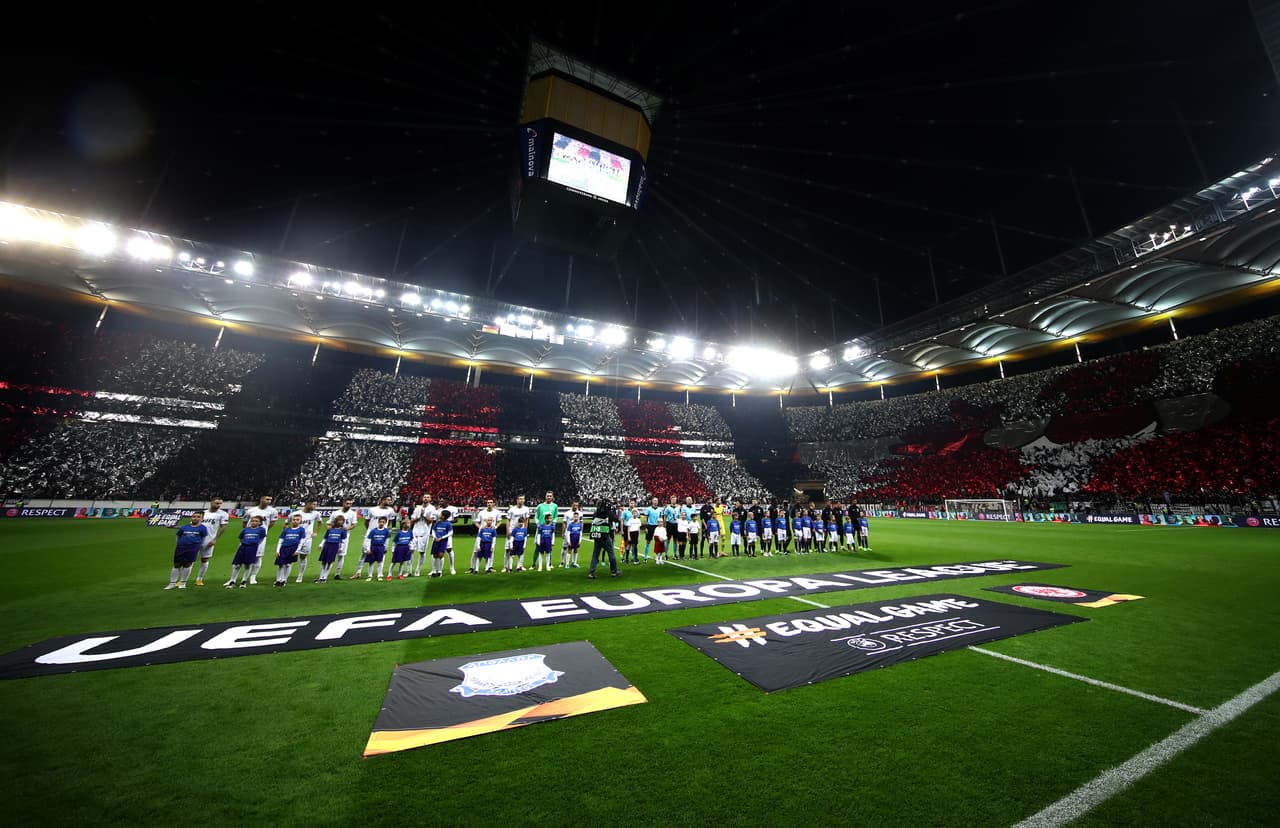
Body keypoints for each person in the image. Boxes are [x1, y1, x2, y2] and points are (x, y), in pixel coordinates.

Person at [164, 511, 208, 590]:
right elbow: (178, 535)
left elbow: (204, 539)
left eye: (198, 517)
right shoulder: (184, 527)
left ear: (202, 519)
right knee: (177, 564)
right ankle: (172, 583)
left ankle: (183, 583)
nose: (196, 518)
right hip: (181, 547)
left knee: (187, 564)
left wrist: (200, 547)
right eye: (194, 516)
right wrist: (179, 544)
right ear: (191, 518)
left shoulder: (203, 528)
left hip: (193, 548)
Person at [357, 496, 398, 579]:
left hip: (382, 535)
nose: (390, 501)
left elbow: (389, 522)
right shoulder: (372, 509)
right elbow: (366, 521)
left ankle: (380, 572)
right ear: (382, 500)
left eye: (390, 500)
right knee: (364, 552)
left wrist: (383, 530)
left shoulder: (390, 510)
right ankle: (358, 572)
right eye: (388, 499)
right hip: (371, 533)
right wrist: (371, 530)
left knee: (382, 552)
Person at [243, 495, 280, 585]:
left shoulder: (273, 511)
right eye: (267, 499)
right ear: (261, 499)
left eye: (270, 500)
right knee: (246, 556)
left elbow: (272, 522)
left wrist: (263, 532)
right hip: (248, 536)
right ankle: (244, 577)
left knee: (258, 556)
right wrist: (247, 531)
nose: (269, 501)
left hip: (261, 538)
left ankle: (253, 576)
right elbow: (244, 522)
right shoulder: (251, 510)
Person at [193, 498, 230, 587]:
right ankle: (183, 580)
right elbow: (193, 524)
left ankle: (199, 579)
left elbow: (223, 527)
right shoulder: (203, 513)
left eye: (220, 504)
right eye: (216, 503)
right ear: (211, 502)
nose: (218, 505)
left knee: (204, 560)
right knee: (190, 559)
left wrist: (215, 539)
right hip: (195, 539)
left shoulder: (223, 514)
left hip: (209, 540)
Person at [226, 515, 266, 588]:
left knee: (247, 565)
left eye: (256, 521)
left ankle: (243, 581)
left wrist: (254, 543)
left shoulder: (261, 530)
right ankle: (232, 580)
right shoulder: (245, 529)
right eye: (253, 521)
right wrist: (244, 543)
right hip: (243, 547)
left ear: (260, 523)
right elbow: (241, 538)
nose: (254, 522)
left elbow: (262, 538)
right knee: (236, 564)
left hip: (252, 548)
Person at [329, 498, 361, 580]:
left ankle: (337, 574)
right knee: (331, 554)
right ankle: (325, 574)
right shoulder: (336, 513)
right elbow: (329, 524)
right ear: (343, 503)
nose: (349, 505)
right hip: (334, 537)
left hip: (345, 537)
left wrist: (347, 529)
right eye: (347, 503)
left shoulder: (352, 513)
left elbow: (354, 524)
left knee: (341, 555)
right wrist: (332, 531)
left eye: (350, 504)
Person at [588, 499, 619, 579]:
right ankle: (614, 571)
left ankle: (591, 572)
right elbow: (616, 519)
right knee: (611, 553)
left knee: (595, 553)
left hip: (597, 534)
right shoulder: (608, 512)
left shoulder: (596, 512)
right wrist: (614, 510)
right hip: (605, 535)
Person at [292, 498, 321, 584]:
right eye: (313, 504)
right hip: (295, 538)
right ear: (307, 503)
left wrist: (316, 532)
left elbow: (320, 522)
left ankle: (300, 576)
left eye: (316, 504)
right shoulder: (296, 513)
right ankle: (283, 577)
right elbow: (286, 523)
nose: (315, 506)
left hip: (307, 539)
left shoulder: (316, 514)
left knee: (303, 556)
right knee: (291, 556)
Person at [273, 513, 307, 587]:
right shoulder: (286, 529)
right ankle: (278, 580)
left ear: (300, 521)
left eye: (297, 520)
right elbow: (281, 540)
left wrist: (298, 550)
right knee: (280, 565)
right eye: (294, 520)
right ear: (291, 520)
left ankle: (284, 580)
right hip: (284, 548)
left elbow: (302, 540)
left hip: (293, 548)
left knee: (288, 564)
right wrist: (277, 550)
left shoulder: (301, 530)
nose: (295, 521)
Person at [472, 498, 503, 573]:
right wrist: (481, 528)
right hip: (481, 534)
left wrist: (495, 527)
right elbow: (476, 522)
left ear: (493, 504)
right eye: (488, 502)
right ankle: (472, 567)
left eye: (491, 502)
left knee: (491, 550)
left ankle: (489, 567)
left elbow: (499, 521)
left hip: (491, 534)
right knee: (476, 551)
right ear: (486, 503)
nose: (489, 503)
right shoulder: (482, 512)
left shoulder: (497, 512)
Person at [410, 493, 437, 577]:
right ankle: (409, 570)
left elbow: (431, 521)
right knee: (410, 550)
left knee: (422, 552)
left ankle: (418, 570)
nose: (425, 498)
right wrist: (417, 518)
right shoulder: (418, 508)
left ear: (430, 499)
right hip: (415, 531)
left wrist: (423, 515)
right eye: (424, 497)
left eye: (427, 497)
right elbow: (412, 520)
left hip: (424, 532)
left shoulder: (432, 508)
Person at [315, 515, 348, 583]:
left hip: (335, 546)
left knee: (329, 562)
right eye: (339, 520)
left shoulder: (343, 530)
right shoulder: (330, 529)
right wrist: (321, 544)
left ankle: (325, 577)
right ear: (336, 521)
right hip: (327, 545)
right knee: (324, 561)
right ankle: (321, 577)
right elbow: (325, 537)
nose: (341, 522)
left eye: (342, 521)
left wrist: (341, 547)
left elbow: (343, 540)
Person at [505, 494, 532, 572]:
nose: (521, 500)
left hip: (521, 532)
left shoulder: (526, 509)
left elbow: (527, 519)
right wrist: (507, 530)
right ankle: (506, 566)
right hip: (512, 531)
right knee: (508, 549)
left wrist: (525, 530)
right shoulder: (512, 509)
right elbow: (508, 520)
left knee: (521, 549)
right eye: (520, 499)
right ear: (517, 500)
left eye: (523, 499)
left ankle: (520, 566)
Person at [362, 516, 391, 581]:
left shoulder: (386, 531)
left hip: (381, 547)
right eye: (380, 522)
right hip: (373, 547)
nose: (381, 523)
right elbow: (368, 540)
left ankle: (379, 575)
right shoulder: (373, 531)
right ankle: (369, 576)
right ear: (378, 522)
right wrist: (368, 549)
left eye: (383, 522)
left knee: (380, 562)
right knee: (371, 562)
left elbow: (387, 540)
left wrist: (386, 548)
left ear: (385, 523)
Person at [535, 491, 559, 568]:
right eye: (547, 496)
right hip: (541, 528)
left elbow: (555, 516)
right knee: (538, 546)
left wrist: (554, 523)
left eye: (550, 496)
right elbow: (536, 516)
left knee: (550, 546)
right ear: (545, 496)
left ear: (552, 497)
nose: (549, 497)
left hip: (549, 529)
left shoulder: (555, 506)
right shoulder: (540, 506)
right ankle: (534, 564)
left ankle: (549, 564)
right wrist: (538, 523)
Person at [429, 510, 454, 578]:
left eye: (441, 514)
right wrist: (434, 536)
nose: (440, 515)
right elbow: (433, 530)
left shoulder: (448, 524)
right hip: (436, 540)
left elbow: (450, 533)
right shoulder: (437, 522)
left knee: (440, 555)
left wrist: (442, 537)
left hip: (443, 541)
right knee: (435, 555)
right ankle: (434, 571)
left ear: (444, 516)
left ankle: (440, 571)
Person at [643, 496, 662, 561]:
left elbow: (661, 518)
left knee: (658, 541)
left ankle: (658, 556)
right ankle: (645, 556)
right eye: (654, 500)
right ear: (652, 501)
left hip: (657, 527)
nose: (655, 502)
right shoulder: (648, 509)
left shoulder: (660, 509)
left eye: (656, 501)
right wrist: (646, 527)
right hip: (650, 526)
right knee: (648, 541)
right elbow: (645, 518)